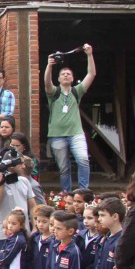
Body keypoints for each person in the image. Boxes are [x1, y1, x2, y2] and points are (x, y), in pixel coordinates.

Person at [44, 43, 97, 191]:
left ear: (73, 78)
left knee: (83, 160)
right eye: (63, 74)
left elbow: (91, 74)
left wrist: (89, 55)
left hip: (76, 134)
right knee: (64, 168)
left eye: (69, 74)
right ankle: (66, 194)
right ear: (59, 79)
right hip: (57, 135)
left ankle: (83, 191)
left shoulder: (76, 91)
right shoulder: (53, 92)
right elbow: (47, 83)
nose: (66, 75)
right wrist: (49, 66)